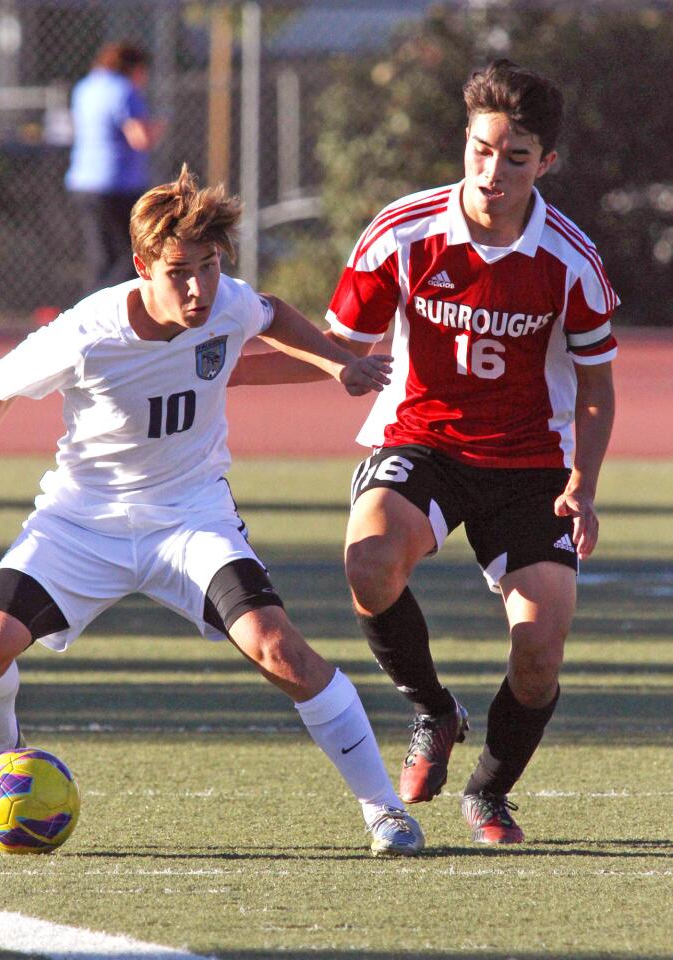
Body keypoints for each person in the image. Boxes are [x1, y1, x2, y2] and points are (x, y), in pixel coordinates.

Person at [0, 166, 425, 858]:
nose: (199, 288)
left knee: (279, 648)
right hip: (83, 521)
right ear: (142, 267)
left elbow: (273, 312)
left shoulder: (224, 300)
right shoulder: (87, 332)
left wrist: (336, 362)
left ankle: (384, 812)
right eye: (178, 272)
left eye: (209, 266)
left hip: (192, 517)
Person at [231, 60, 618, 844]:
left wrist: (583, 481)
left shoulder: (570, 260)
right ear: (464, 143)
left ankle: (489, 793)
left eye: (516, 157)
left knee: (541, 647)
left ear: (545, 162)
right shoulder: (404, 231)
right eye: (481, 150)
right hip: (422, 441)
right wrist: (217, 373)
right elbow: (339, 344)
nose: (494, 171)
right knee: (369, 560)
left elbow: (598, 386)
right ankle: (434, 710)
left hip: (531, 464)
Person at [65, 41, 165, 295]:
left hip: (83, 181)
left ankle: (91, 310)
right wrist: (158, 128)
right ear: (134, 68)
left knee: (99, 256)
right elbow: (140, 138)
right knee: (130, 255)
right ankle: (106, 309)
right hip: (117, 184)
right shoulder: (123, 90)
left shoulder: (85, 87)